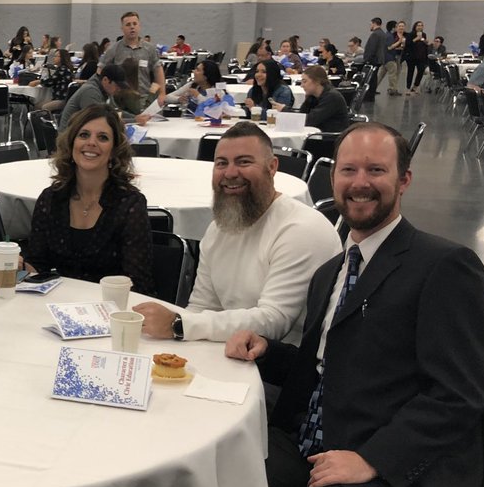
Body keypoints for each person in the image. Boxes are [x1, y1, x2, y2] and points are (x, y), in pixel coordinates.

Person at [221, 122, 484, 487]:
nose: (360, 182)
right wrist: (266, 349)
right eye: (348, 169)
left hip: (399, 470)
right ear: (333, 180)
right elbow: (330, 367)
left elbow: (459, 394)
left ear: (404, 180)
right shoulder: (331, 271)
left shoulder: (444, 267)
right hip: (315, 441)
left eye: (376, 170)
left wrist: (372, 459)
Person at [134, 121, 340, 345]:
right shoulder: (218, 229)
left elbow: (274, 321)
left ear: (272, 167)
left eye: (244, 162)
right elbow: (202, 306)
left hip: (283, 366)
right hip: (230, 351)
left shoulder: (301, 229)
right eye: (221, 163)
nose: (230, 173)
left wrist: (179, 324)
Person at [23, 106, 154, 291]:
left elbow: (137, 282)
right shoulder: (51, 198)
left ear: (115, 150)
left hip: (111, 309)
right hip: (55, 305)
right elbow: (37, 263)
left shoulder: (129, 204)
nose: (91, 143)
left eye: (103, 137)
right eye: (84, 135)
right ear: (71, 143)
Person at [98, 11, 165, 110]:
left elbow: (158, 71)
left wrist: (162, 94)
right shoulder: (114, 49)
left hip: (145, 99)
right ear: (122, 28)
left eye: (135, 24)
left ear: (139, 26)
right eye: (128, 24)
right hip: (121, 101)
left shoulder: (150, 49)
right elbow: (100, 71)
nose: (132, 27)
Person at [59, 63, 149, 127]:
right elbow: (99, 120)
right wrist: (134, 121)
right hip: (69, 137)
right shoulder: (90, 92)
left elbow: (113, 111)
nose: (118, 89)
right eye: (116, 86)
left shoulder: (104, 90)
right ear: (105, 80)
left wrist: (135, 117)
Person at [298, 65, 351, 132]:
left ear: (317, 81)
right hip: (319, 134)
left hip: (330, 139)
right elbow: (301, 115)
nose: (301, 85)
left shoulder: (332, 97)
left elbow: (310, 120)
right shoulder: (313, 96)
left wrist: (284, 109)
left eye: (305, 81)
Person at [362, 17, 387, 101]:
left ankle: (369, 96)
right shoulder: (383, 34)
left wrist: (367, 59)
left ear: (374, 23)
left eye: (370, 24)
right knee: (374, 77)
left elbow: (372, 48)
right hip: (379, 59)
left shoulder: (375, 34)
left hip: (373, 59)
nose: (370, 26)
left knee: (370, 78)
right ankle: (371, 96)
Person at [404, 21, 429, 95]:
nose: (420, 27)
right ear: (415, 26)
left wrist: (425, 41)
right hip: (411, 56)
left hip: (421, 57)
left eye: (421, 25)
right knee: (410, 72)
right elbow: (408, 44)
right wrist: (416, 38)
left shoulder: (424, 35)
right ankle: (408, 88)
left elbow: (424, 45)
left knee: (421, 71)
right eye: (418, 25)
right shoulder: (410, 34)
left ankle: (415, 86)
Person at [384, 20, 406, 96]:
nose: (399, 28)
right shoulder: (390, 36)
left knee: (381, 74)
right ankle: (393, 89)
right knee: (393, 74)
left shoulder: (387, 35)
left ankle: (372, 88)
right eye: (397, 26)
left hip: (388, 57)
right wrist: (399, 41)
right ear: (393, 28)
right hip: (390, 57)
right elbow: (390, 47)